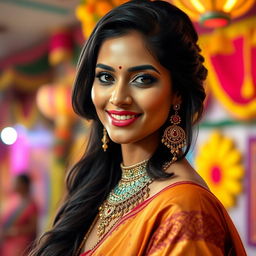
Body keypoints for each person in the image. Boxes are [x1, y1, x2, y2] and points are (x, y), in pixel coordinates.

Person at [29, 0, 246, 255]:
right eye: (106, 77)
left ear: (176, 92)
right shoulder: (99, 185)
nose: (118, 97)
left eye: (142, 79)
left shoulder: (183, 210)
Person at [0, 173, 38, 256]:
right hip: (6, 243)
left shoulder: (31, 204)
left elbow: (33, 228)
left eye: (16, 182)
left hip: (20, 246)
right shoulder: (12, 201)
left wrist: (15, 232)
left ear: (24, 185)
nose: (13, 184)